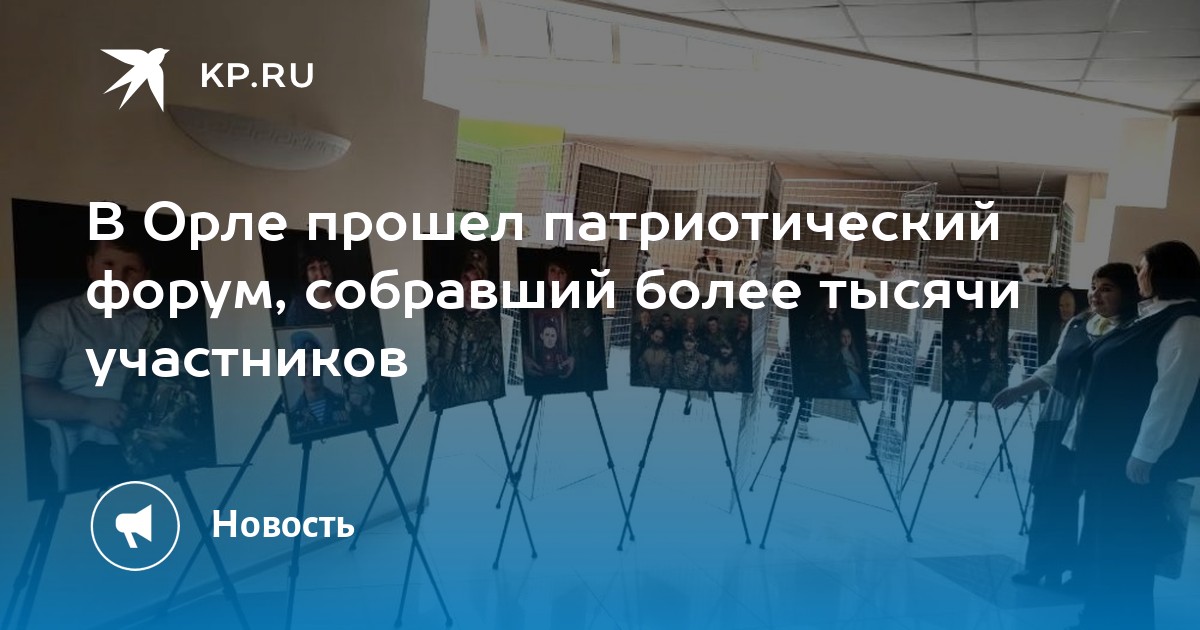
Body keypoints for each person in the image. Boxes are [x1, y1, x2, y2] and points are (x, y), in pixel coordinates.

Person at [1071, 242, 1200, 630]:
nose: (1138, 274)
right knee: (1104, 541)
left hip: (1129, 459)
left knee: (1125, 546)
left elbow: (1171, 394)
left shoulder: (1185, 322)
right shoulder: (1150, 316)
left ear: (1163, 272)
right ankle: (1097, 616)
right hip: (1107, 453)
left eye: (1142, 268)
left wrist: (1145, 453)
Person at [994, 263, 1139, 591]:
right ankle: (1043, 566)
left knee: (1097, 506)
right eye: (1094, 286)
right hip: (1060, 422)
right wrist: (1019, 389)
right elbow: (1053, 367)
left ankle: (1083, 576)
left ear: (1128, 293)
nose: (1095, 294)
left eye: (1107, 288)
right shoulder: (1078, 323)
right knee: (1050, 494)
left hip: (1102, 430)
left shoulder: (1135, 330)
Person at [427, 248, 505, 411]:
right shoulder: (444, 319)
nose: (470, 289)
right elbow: (423, 370)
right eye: (466, 280)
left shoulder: (493, 333)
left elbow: (476, 393)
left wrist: (439, 365)